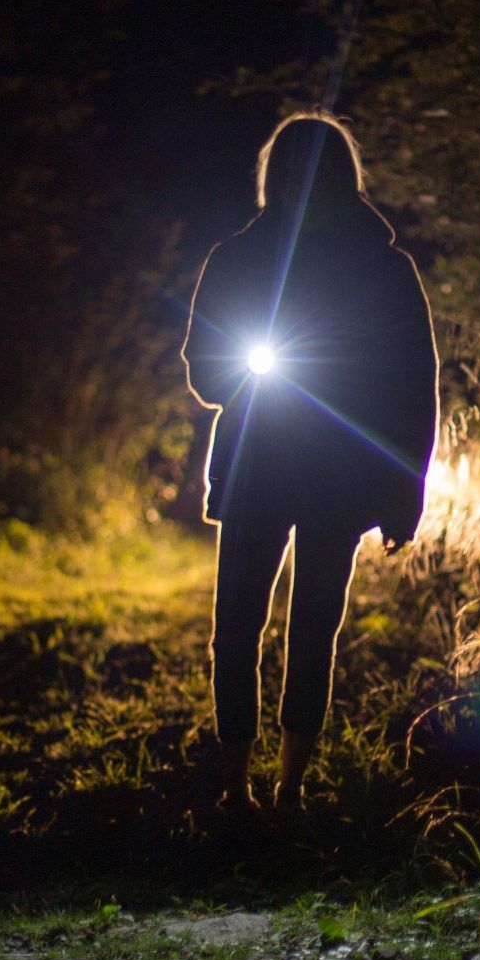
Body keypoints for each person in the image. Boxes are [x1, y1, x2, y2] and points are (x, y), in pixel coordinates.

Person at [182, 112, 439, 817]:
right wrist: (399, 493)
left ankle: (261, 789)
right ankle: (270, 790)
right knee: (285, 629)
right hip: (315, 473)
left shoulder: (242, 258)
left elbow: (412, 386)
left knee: (257, 628)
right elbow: (413, 390)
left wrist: (403, 493)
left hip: (279, 471)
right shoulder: (380, 267)